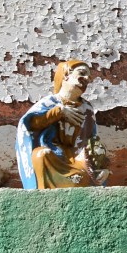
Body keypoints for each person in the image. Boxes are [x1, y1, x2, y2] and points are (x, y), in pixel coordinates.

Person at [16, 60, 110, 189]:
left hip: (77, 159)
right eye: (82, 73)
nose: (87, 79)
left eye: (89, 77)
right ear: (66, 75)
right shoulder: (50, 102)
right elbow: (30, 125)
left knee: (89, 174)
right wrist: (59, 112)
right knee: (41, 155)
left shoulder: (87, 109)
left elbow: (93, 143)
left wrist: (103, 167)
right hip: (53, 157)